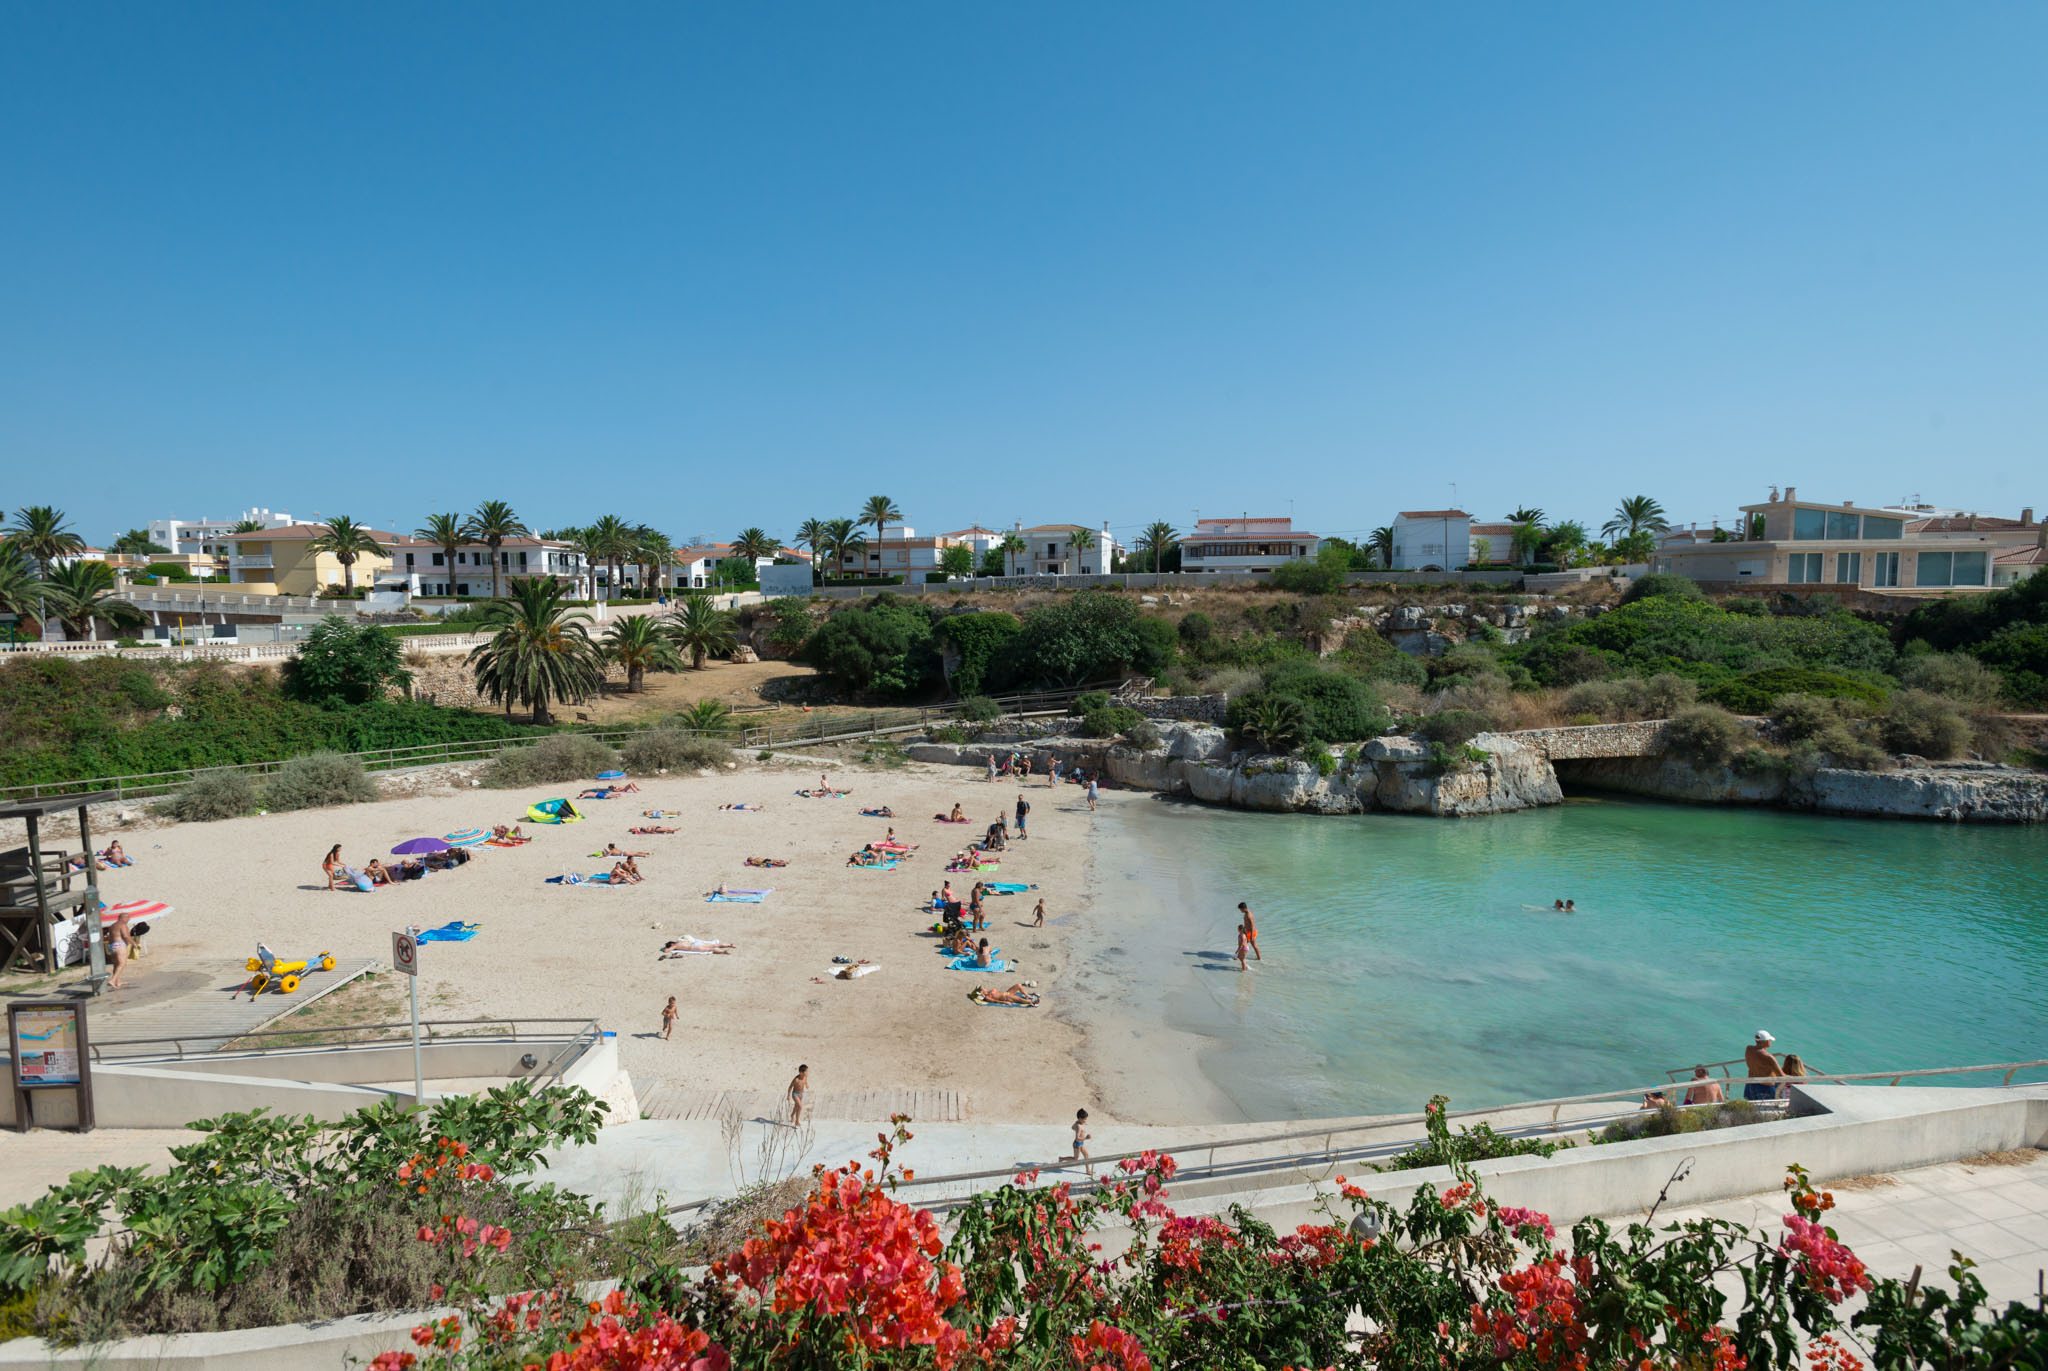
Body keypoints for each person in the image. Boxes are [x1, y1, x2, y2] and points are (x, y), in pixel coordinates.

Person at [1743, 1031, 1782, 1102]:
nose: (1770, 1041)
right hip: (1765, 1087)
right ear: (1766, 1041)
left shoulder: (1749, 1049)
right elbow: (1781, 1075)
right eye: (1769, 1040)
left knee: (1750, 1106)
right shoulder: (1769, 1057)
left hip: (1750, 1084)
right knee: (1766, 1107)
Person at [107, 911, 133, 990]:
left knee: (116, 964)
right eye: (128, 918)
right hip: (120, 945)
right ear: (123, 918)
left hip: (111, 946)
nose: (129, 919)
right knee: (122, 963)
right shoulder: (123, 925)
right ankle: (112, 980)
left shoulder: (112, 925)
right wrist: (134, 943)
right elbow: (125, 936)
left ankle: (117, 981)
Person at [970, 983, 1040, 1006]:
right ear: (981, 991)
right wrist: (1003, 1002)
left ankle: (1027, 995)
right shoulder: (987, 997)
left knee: (1018, 985)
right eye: (981, 988)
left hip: (1008, 993)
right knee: (1019, 999)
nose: (982, 987)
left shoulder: (989, 991)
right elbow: (994, 1001)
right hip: (1006, 997)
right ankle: (1032, 1002)